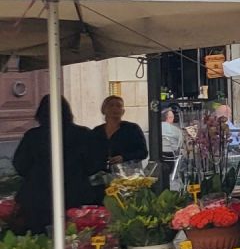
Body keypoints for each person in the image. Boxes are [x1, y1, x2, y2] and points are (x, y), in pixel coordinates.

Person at [13, 97, 101, 234]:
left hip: (37, 197)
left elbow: (20, 165)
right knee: (75, 237)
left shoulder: (32, 136)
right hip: (75, 193)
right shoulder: (83, 134)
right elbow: (95, 164)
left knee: (38, 238)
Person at [88, 94, 148, 172]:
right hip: (102, 174)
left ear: (123, 111)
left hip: (128, 174)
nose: (115, 108)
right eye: (111, 105)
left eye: (119, 106)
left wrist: (123, 157)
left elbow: (143, 152)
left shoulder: (132, 128)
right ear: (103, 110)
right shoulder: (97, 131)